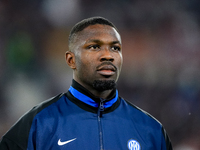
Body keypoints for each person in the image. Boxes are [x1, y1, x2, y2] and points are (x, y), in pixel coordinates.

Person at [0, 16, 173, 150]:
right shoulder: (39, 124)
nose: (108, 55)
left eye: (115, 48)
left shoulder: (151, 131)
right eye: (94, 47)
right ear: (71, 60)